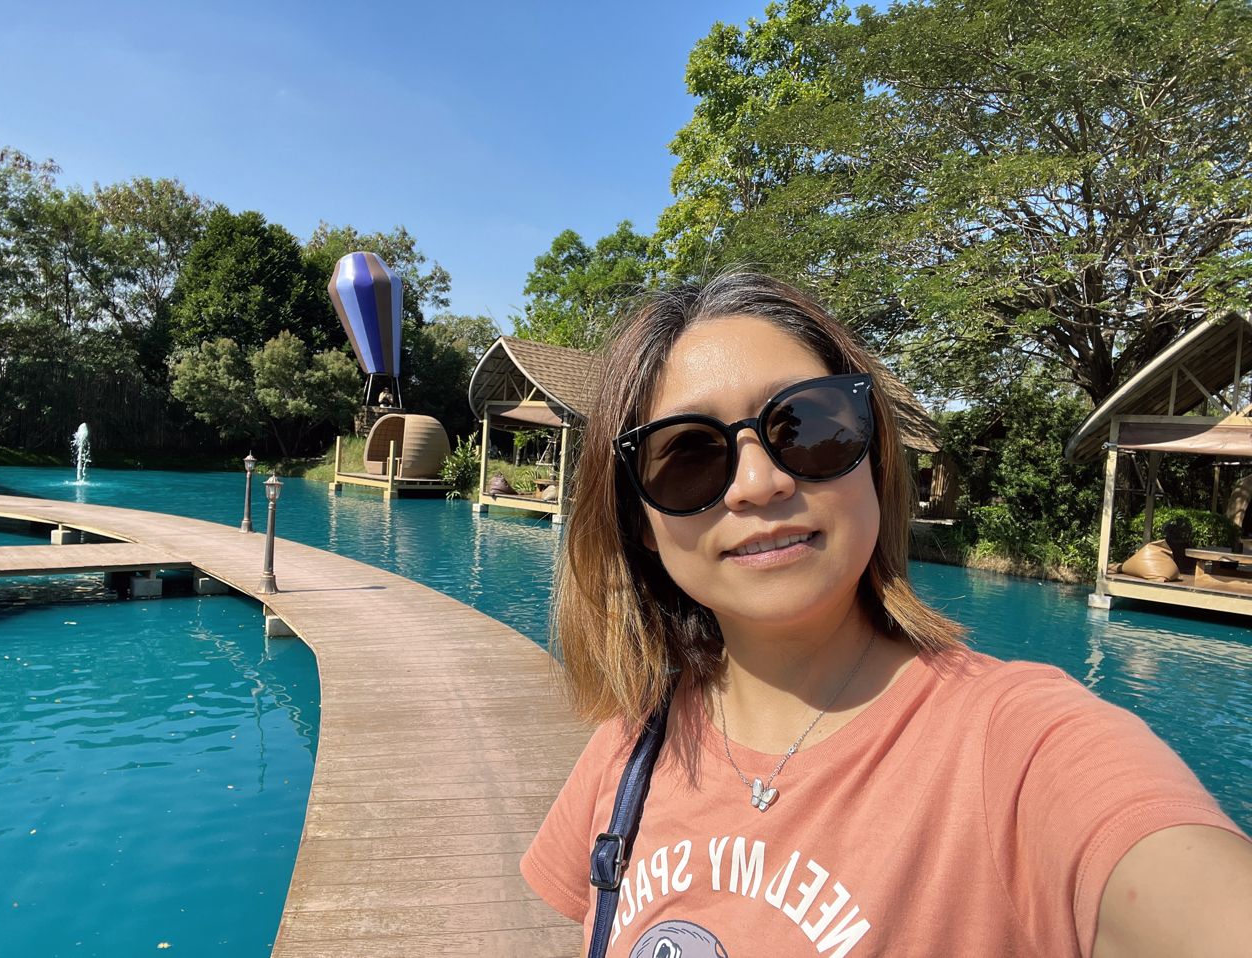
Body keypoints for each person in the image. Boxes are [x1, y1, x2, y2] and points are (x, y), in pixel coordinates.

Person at [521, 274, 1252, 957]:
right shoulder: (630, 748)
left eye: (807, 426)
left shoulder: (1019, 746)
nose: (759, 483)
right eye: (687, 456)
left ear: (873, 458)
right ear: (640, 521)